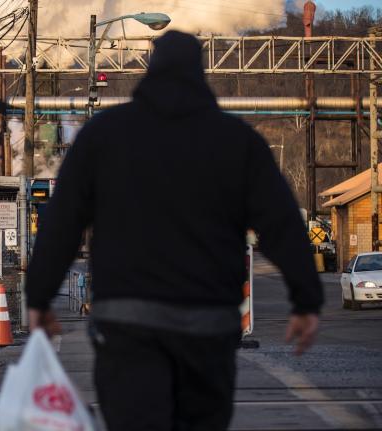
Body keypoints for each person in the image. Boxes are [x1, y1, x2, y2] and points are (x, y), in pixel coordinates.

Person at [25, 31, 323, 431]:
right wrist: (306, 300)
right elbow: (282, 224)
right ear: (200, 74)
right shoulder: (238, 142)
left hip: (126, 324)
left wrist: (39, 298)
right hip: (208, 325)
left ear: (152, 69)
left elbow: (62, 221)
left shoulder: (104, 135)